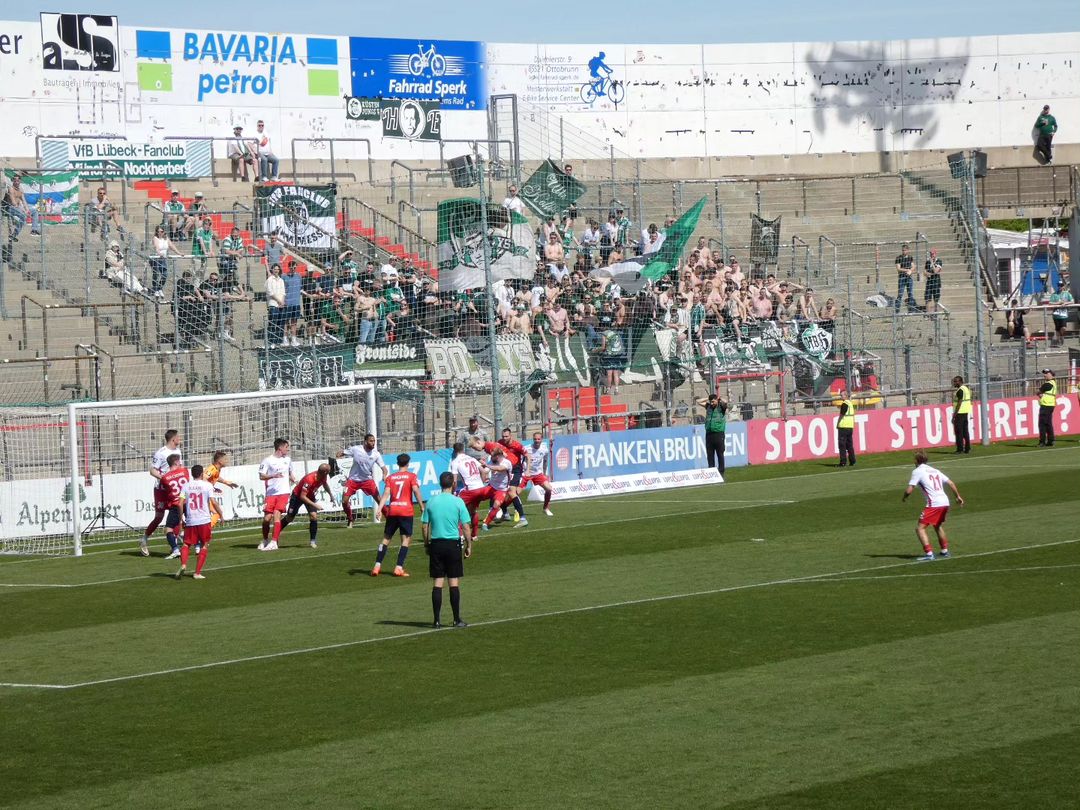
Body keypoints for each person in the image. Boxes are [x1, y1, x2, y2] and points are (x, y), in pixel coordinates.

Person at [423, 471, 473, 629]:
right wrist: (469, 545)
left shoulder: (431, 501)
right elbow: (465, 526)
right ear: (453, 484)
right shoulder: (458, 502)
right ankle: (456, 619)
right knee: (453, 582)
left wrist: (426, 544)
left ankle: (436, 621)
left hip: (436, 544)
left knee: (437, 582)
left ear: (440, 483)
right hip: (452, 545)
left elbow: (425, 526)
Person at [903, 451, 964, 561]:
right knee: (937, 525)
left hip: (934, 504)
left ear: (916, 460)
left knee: (920, 528)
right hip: (945, 502)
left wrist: (905, 497)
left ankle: (929, 554)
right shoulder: (935, 470)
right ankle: (945, 551)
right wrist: (958, 496)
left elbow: (910, 489)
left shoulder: (917, 471)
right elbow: (950, 483)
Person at [371, 454, 424, 577]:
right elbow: (416, 491)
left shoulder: (391, 477)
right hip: (406, 511)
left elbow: (385, 494)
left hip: (393, 510)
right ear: (408, 463)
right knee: (405, 540)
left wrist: (379, 509)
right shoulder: (411, 476)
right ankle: (398, 568)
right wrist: (421, 506)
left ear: (397, 463)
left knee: (386, 538)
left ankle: (377, 566)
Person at [141, 428, 183, 557]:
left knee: (175, 515)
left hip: (172, 489)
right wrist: (164, 479)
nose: (180, 439)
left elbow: (179, 468)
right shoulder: (161, 453)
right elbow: (152, 471)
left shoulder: (178, 451)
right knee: (159, 517)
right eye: (178, 437)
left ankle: (174, 546)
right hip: (161, 489)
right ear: (173, 439)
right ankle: (144, 540)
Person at [174, 465, 220, 580]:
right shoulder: (207, 485)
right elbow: (213, 502)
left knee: (186, 544)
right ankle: (197, 573)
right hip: (204, 520)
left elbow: (180, 504)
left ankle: (183, 564)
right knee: (204, 545)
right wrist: (221, 514)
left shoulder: (186, 486)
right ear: (201, 474)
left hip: (191, 520)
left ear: (192, 474)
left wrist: (180, 519)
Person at [279, 461, 335, 549]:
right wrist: (315, 505)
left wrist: (331, 495)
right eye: (328, 471)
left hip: (310, 496)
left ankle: (312, 541)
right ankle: (275, 535)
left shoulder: (323, 476)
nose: (329, 473)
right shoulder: (310, 479)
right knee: (289, 518)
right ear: (324, 472)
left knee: (313, 516)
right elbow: (302, 496)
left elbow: (325, 484)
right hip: (297, 497)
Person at [337, 433, 389, 527]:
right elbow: (343, 452)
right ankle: (350, 519)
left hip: (367, 480)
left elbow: (384, 469)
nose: (373, 443)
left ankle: (390, 519)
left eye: (374, 441)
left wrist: (384, 475)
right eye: (371, 441)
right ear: (365, 442)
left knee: (379, 500)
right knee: (344, 501)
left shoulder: (376, 454)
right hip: (352, 480)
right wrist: (339, 454)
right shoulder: (356, 449)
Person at [258, 437, 295, 551]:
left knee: (277, 515)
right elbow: (261, 476)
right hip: (271, 493)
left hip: (283, 492)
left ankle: (274, 542)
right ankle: (265, 540)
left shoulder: (288, 460)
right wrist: (273, 475)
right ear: (280, 448)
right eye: (286, 447)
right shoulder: (267, 460)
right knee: (267, 519)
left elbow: (289, 473)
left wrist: (293, 479)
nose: (287, 450)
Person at [451, 441, 490, 537]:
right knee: (472, 511)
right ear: (463, 450)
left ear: (454, 451)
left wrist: (452, 492)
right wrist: (482, 482)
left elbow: (454, 481)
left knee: (456, 510)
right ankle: (474, 535)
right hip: (481, 489)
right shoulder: (471, 458)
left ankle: (460, 536)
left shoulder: (455, 462)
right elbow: (483, 471)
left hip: (471, 490)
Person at [159, 454, 191, 560]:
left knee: (168, 529)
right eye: (179, 461)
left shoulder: (164, 478)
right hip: (188, 502)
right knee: (193, 524)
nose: (181, 463)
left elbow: (167, 491)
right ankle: (198, 547)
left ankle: (175, 550)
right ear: (176, 462)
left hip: (176, 505)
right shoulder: (185, 471)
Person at [477, 443, 513, 532]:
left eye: (493, 456)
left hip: (502, 490)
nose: (491, 458)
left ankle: (485, 524)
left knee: (496, 505)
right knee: (476, 496)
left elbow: (500, 468)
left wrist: (486, 465)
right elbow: (486, 470)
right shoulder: (492, 461)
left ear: (498, 456)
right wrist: (480, 467)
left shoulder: (507, 462)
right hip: (491, 487)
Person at [522, 432, 554, 517]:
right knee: (515, 492)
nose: (537, 441)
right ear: (533, 439)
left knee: (549, 489)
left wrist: (545, 473)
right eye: (535, 439)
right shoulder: (527, 448)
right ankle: (504, 509)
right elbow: (520, 460)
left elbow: (546, 461)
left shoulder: (544, 449)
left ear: (541, 439)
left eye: (538, 439)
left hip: (537, 474)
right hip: (526, 473)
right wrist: (523, 470)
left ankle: (546, 508)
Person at [204, 450, 238, 528]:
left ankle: (202, 531)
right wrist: (211, 487)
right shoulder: (212, 468)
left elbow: (216, 477)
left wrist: (226, 482)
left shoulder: (216, 469)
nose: (227, 461)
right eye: (225, 459)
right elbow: (203, 478)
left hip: (205, 495)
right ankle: (205, 530)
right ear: (219, 461)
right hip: (203, 495)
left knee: (214, 514)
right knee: (217, 513)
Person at [697, 392, 728, 476]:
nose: (712, 403)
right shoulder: (708, 407)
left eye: (713, 401)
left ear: (717, 401)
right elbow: (698, 401)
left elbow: (726, 402)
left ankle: (721, 472)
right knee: (710, 454)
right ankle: (711, 472)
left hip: (719, 434)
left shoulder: (721, 407)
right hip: (709, 434)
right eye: (711, 402)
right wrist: (708, 398)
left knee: (720, 454)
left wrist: (719, 398)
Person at [951, 376, 973, 454]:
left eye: (956, 381)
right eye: (954, 381)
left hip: (960, 413)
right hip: (965, 412)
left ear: (960, 381)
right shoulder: (966, 389)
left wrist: (954, 415)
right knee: (965, 432)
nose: (954, 383)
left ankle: (960, 449)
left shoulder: (960, 390)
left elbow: (959, 403)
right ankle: (967, 448)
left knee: (959, 432)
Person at [1037, 368, 1058, 447]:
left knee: (1042, 424)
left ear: (1051, 374)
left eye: (1046, 373)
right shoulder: (1054, 383)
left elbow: (1038, 392)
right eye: (1044, 373)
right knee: (1048, 423)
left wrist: (1040, 394)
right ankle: (1051, 441)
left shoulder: (1048, 384)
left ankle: (1042, 442)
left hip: (1045, 405)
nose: (1044, 375)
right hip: (1051, 405)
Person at [894, 243, 917, 313]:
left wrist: (911, 270)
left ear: (908, 250)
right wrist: (907, 270)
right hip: (902, 278)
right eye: (903, 250)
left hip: (909, 278)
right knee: (900, 294)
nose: (904, 252)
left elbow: (914, 266)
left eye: (905, 250)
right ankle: (897, 311)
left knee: (910, 294)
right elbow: (898, 268)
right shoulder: (898, 258)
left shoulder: (910, 257)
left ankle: (911, 310)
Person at [837, 387, 856, 467]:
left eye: (842, 395)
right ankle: (852, 461)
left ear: (845, 396)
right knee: (849, 445)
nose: (841, 397)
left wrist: (838, 423)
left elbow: (842, 415)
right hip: (850, 426)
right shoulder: (850, 403)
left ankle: (843, 462)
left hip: (843, 426)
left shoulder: (844, 404)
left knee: (842, 445)